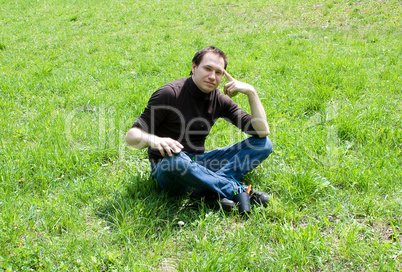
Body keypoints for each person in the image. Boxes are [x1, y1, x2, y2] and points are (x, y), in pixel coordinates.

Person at [125, 46, 273, 211]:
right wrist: (156, 140)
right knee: (176, 160)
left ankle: (204, 191)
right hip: (168, 168)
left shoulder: (219, 100)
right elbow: (131, 136)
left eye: (218, 72)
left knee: (264, 144)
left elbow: (261, 131)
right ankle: (235, 189)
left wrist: (252, 92)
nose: (212, 76)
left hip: (199, 163)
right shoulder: (170, 93)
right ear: (194, 67)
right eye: (207, 69)